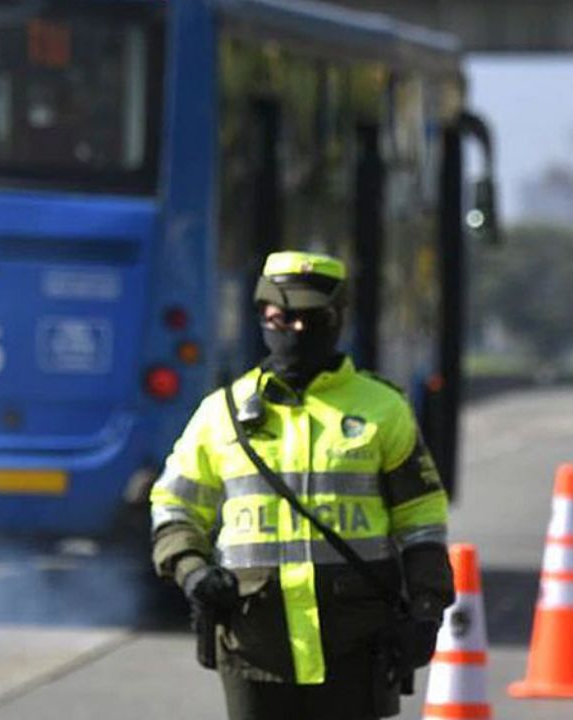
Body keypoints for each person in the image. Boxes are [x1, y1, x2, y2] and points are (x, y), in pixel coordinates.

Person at [149, 250, 453, 720]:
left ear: (336, 320)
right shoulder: (221, 413)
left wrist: (427, 608)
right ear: (262, 317)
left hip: (355, 641)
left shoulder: (383, 408)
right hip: (254, 643)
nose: (295, 329)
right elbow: (174, 506)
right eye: (282, 318)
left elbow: (421, 519)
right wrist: (192, 571)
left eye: (312, 319)